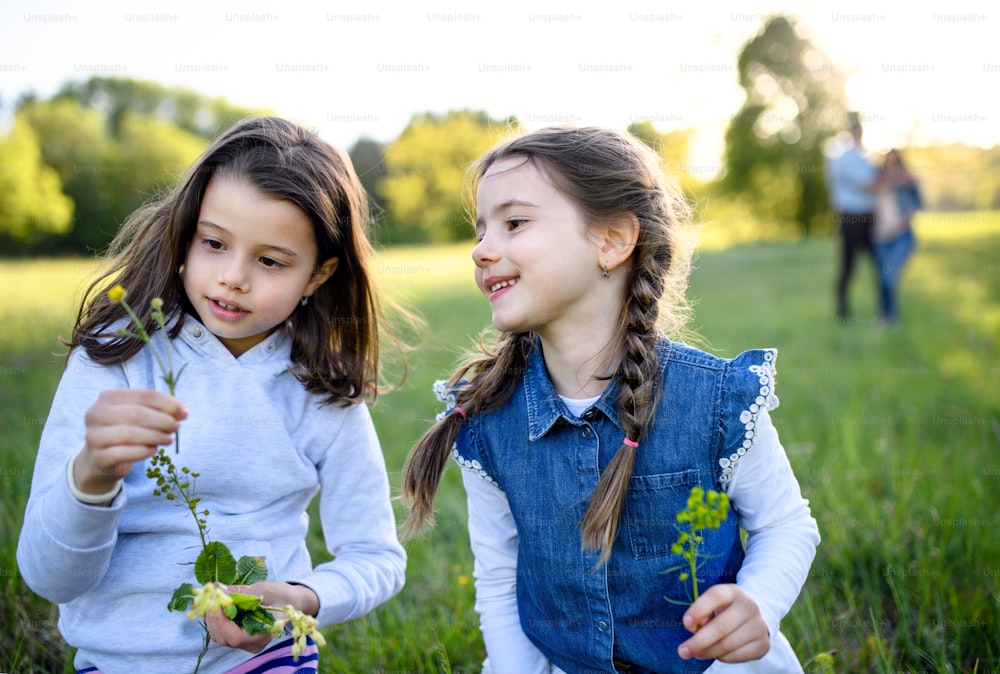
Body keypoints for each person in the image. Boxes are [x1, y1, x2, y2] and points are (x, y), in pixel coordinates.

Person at [400, 127, 821, 673]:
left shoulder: (714, 401)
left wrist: (758, 603)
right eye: (480, 230)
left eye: (514, 223)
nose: (482, 250)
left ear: (613, 240)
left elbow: (785, 524)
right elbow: (501, 579)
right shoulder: (488, 421)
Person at [17, 117, 406, 673]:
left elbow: (376, 557)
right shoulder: (116, 357)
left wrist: (298, 598)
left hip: (262, 659)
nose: (233, 277)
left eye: (270, 260)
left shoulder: (322, 391)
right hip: (117, 661)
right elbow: (49, 576)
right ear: (186, 233)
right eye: (215, 243)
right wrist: (92, 476)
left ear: (318, 276)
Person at [825, 112, 880, 322]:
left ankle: (882, 308)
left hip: (868, 217)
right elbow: (866, 185)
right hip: (850, 218)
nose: (858, 133)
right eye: (855, 130)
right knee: (848, 265)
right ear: (850, 132)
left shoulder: (866, 158)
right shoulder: (842, 157)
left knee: (878, 263)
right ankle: (843, 311)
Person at [872, 149, 921, 323]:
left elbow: (918, 202)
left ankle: (888, 316)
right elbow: (864, 189)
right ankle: (886, 315)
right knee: (883, 279)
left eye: (895, 162)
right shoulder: (878, 180)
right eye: (888, 162)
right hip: (879, 237)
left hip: (901, 236)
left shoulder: (906, 180)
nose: (891, 166)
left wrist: (906, 217)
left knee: (890, 276)